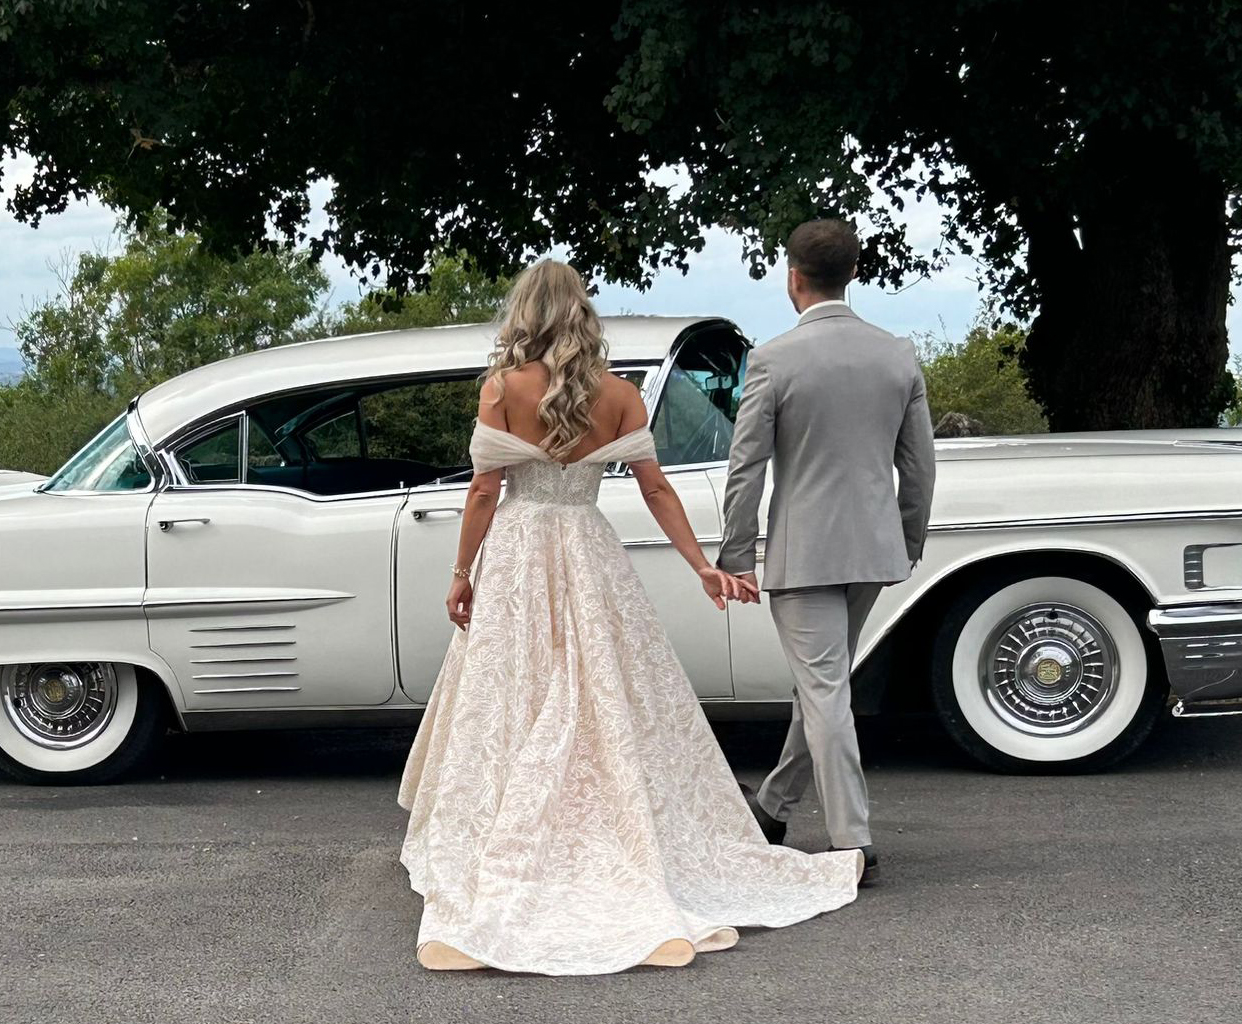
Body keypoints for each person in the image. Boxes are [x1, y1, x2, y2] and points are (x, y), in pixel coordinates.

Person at [398, 259, 865, 976]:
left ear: (524, 315)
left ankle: (512, 838)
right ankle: (615, 837)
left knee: (513, 694)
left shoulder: (501, 389)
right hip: (587, 547)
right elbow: (656, 490)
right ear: (583, 315)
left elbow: (485, 494)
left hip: (520, 554)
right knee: (600, 693)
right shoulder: (618, 397)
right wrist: (700, 564)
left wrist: (461, 573)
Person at [721, 218, 937, 882]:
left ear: (793, 277)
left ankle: (853, 840)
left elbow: (746, 466)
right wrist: (906, 538)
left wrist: (736, 553)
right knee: (825, 685)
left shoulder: (773, 359)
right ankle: (775, 805)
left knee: (823, 690)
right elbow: (920, 466)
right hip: (871, 549)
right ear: (852, 274)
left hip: (805, 552)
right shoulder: (897, 354)